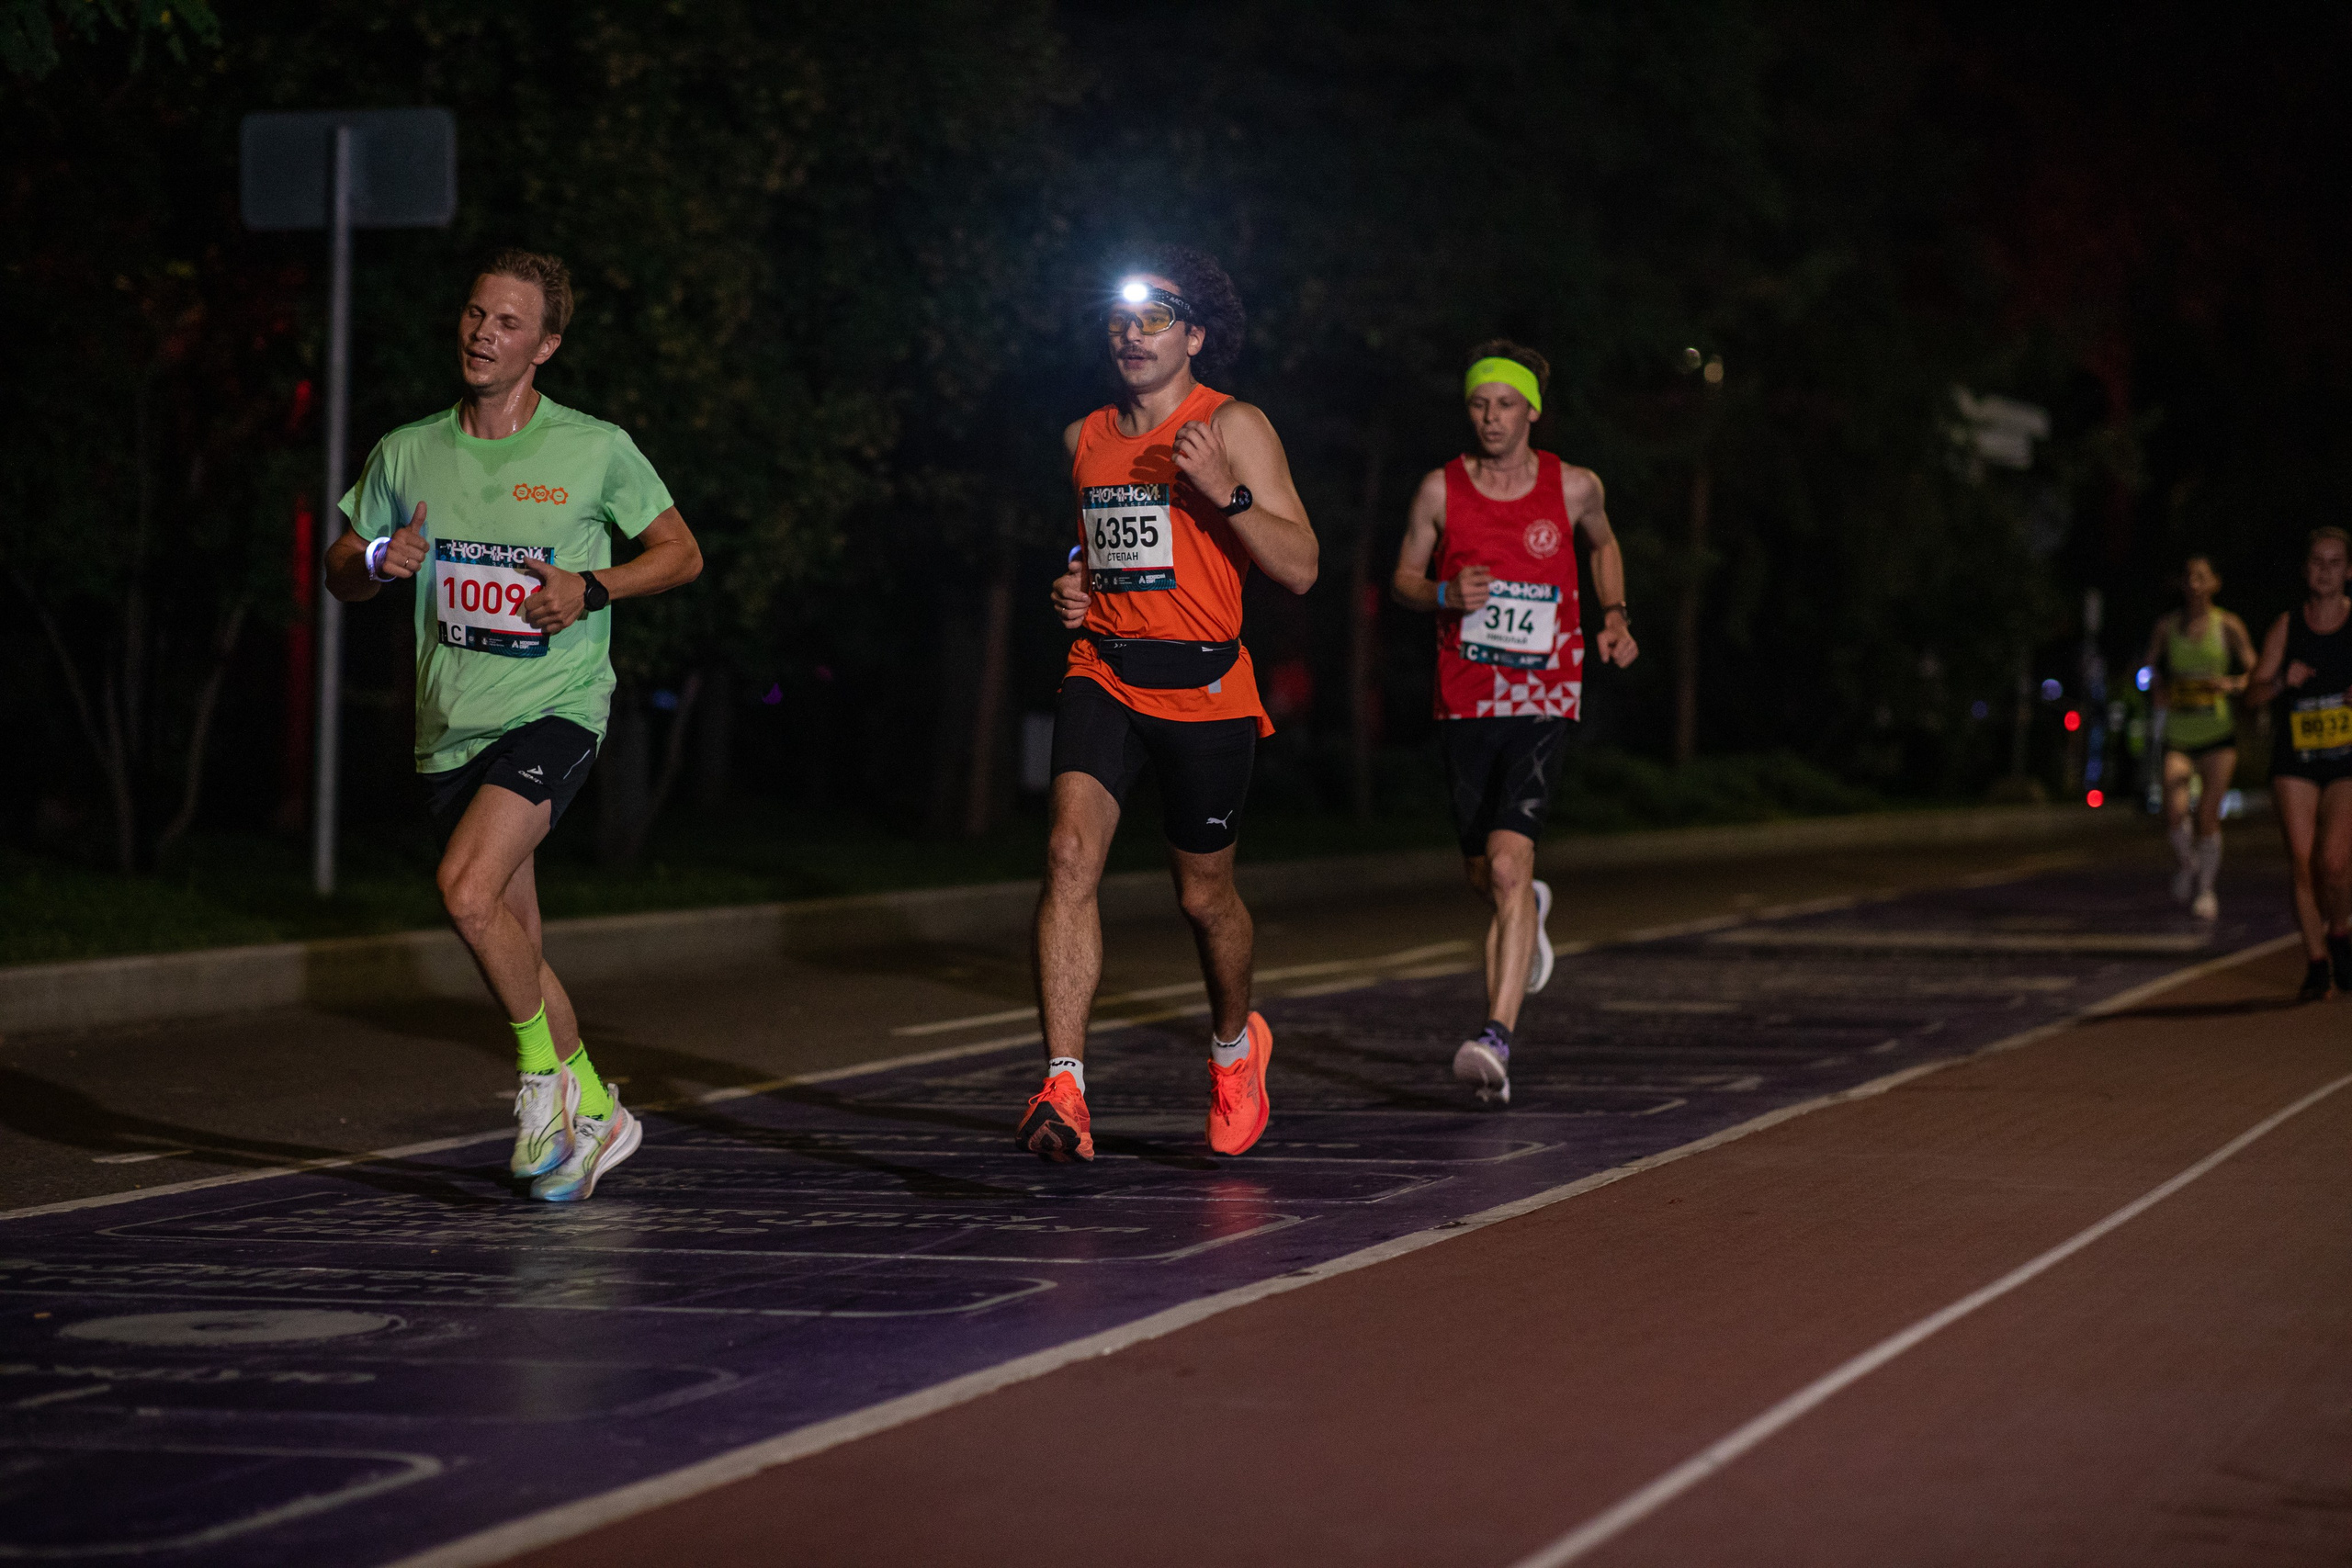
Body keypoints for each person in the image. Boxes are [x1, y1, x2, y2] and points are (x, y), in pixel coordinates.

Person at [325, 250, 702, 1199]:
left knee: (462, 890)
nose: (483, 333)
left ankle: (542, 1086)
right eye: (475, 315)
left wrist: (593, 586)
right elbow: (338, 569)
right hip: (451, 722)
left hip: (556, 709)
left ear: (546, 345)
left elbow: (681, 554)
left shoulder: (594, 447)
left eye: (507, 323)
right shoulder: (408, 450)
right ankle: (599, 1113)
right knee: (511, 937)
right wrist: (376, 553)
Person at [1017, 248, 1317, 1163]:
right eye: (1120, 319)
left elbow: (1300, 567)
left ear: (1193, 334)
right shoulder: (1081, 438)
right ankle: (1063, 1084)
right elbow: (1103, 552)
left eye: (1156, 320)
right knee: (1069, 853)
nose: (1133, 335)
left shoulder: (1232, 424)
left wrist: (1222, 491)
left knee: (1203, 897)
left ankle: (1235, 1047)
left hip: (1207, 688)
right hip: (1102, 670)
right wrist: (1071, 586)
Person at [1390, 343, 1636, 1107]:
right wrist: (1441, 595)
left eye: (1505, 404)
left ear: (1532, 409)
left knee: (1506, 865)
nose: (1492, 418)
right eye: (1479, 404)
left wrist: (1615, 617)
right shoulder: (1440, 489)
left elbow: (1603, 543)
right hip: (1465, 699)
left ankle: (1495, 1035)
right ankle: (1528, 913)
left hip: (1543, 695)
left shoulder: (1574, 487)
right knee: (1483, 874)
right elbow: (1401, 579)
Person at [2246, 526, 2352, 1000]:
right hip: (2297, 761)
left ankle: (2341, 930)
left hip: (2346, 760)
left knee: (2334, 862)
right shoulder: (2287, 626)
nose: (2325, 571)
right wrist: (2281, 683)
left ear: (2349, 571)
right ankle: (2315, 963)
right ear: (2306, 569)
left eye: (2335, 562)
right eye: (2317, 561)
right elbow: (2251, 695)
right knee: (2303, 860)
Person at [2141, 556, 2256, 919]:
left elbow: (2257, 670)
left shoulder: (2228, 625)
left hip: (2218, 735)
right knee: (2174, 812)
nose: (2194, 583)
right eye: (2189, 576)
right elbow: (2146, 668)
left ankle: (2205, 889)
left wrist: (2235, 683)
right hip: (2179, 733)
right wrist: (2155, 683)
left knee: (2207, 814)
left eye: (2201, 577)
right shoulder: (2166, 626)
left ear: (2214, 583)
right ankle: (2188, 864)